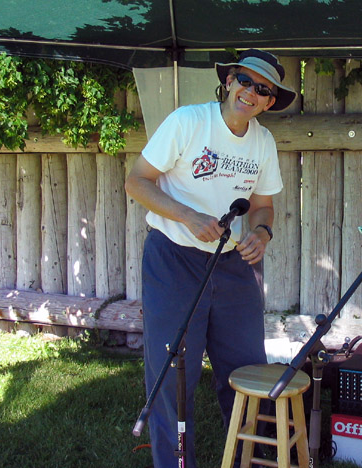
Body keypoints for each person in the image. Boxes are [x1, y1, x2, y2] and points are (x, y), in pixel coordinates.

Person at [125, 49, 297, 468]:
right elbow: (136, 181)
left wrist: (261, 232)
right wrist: (188, 216)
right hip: (174, 259)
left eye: (262, 90)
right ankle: (176, 463)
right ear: (228, 80)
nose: (250, 93)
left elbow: (262, 206)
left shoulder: (263, 142)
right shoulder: (188, 121)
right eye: (244, 80)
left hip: (235, 265)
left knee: (245, 369)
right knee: (171, 374)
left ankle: (245, 459)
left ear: (269, 102)